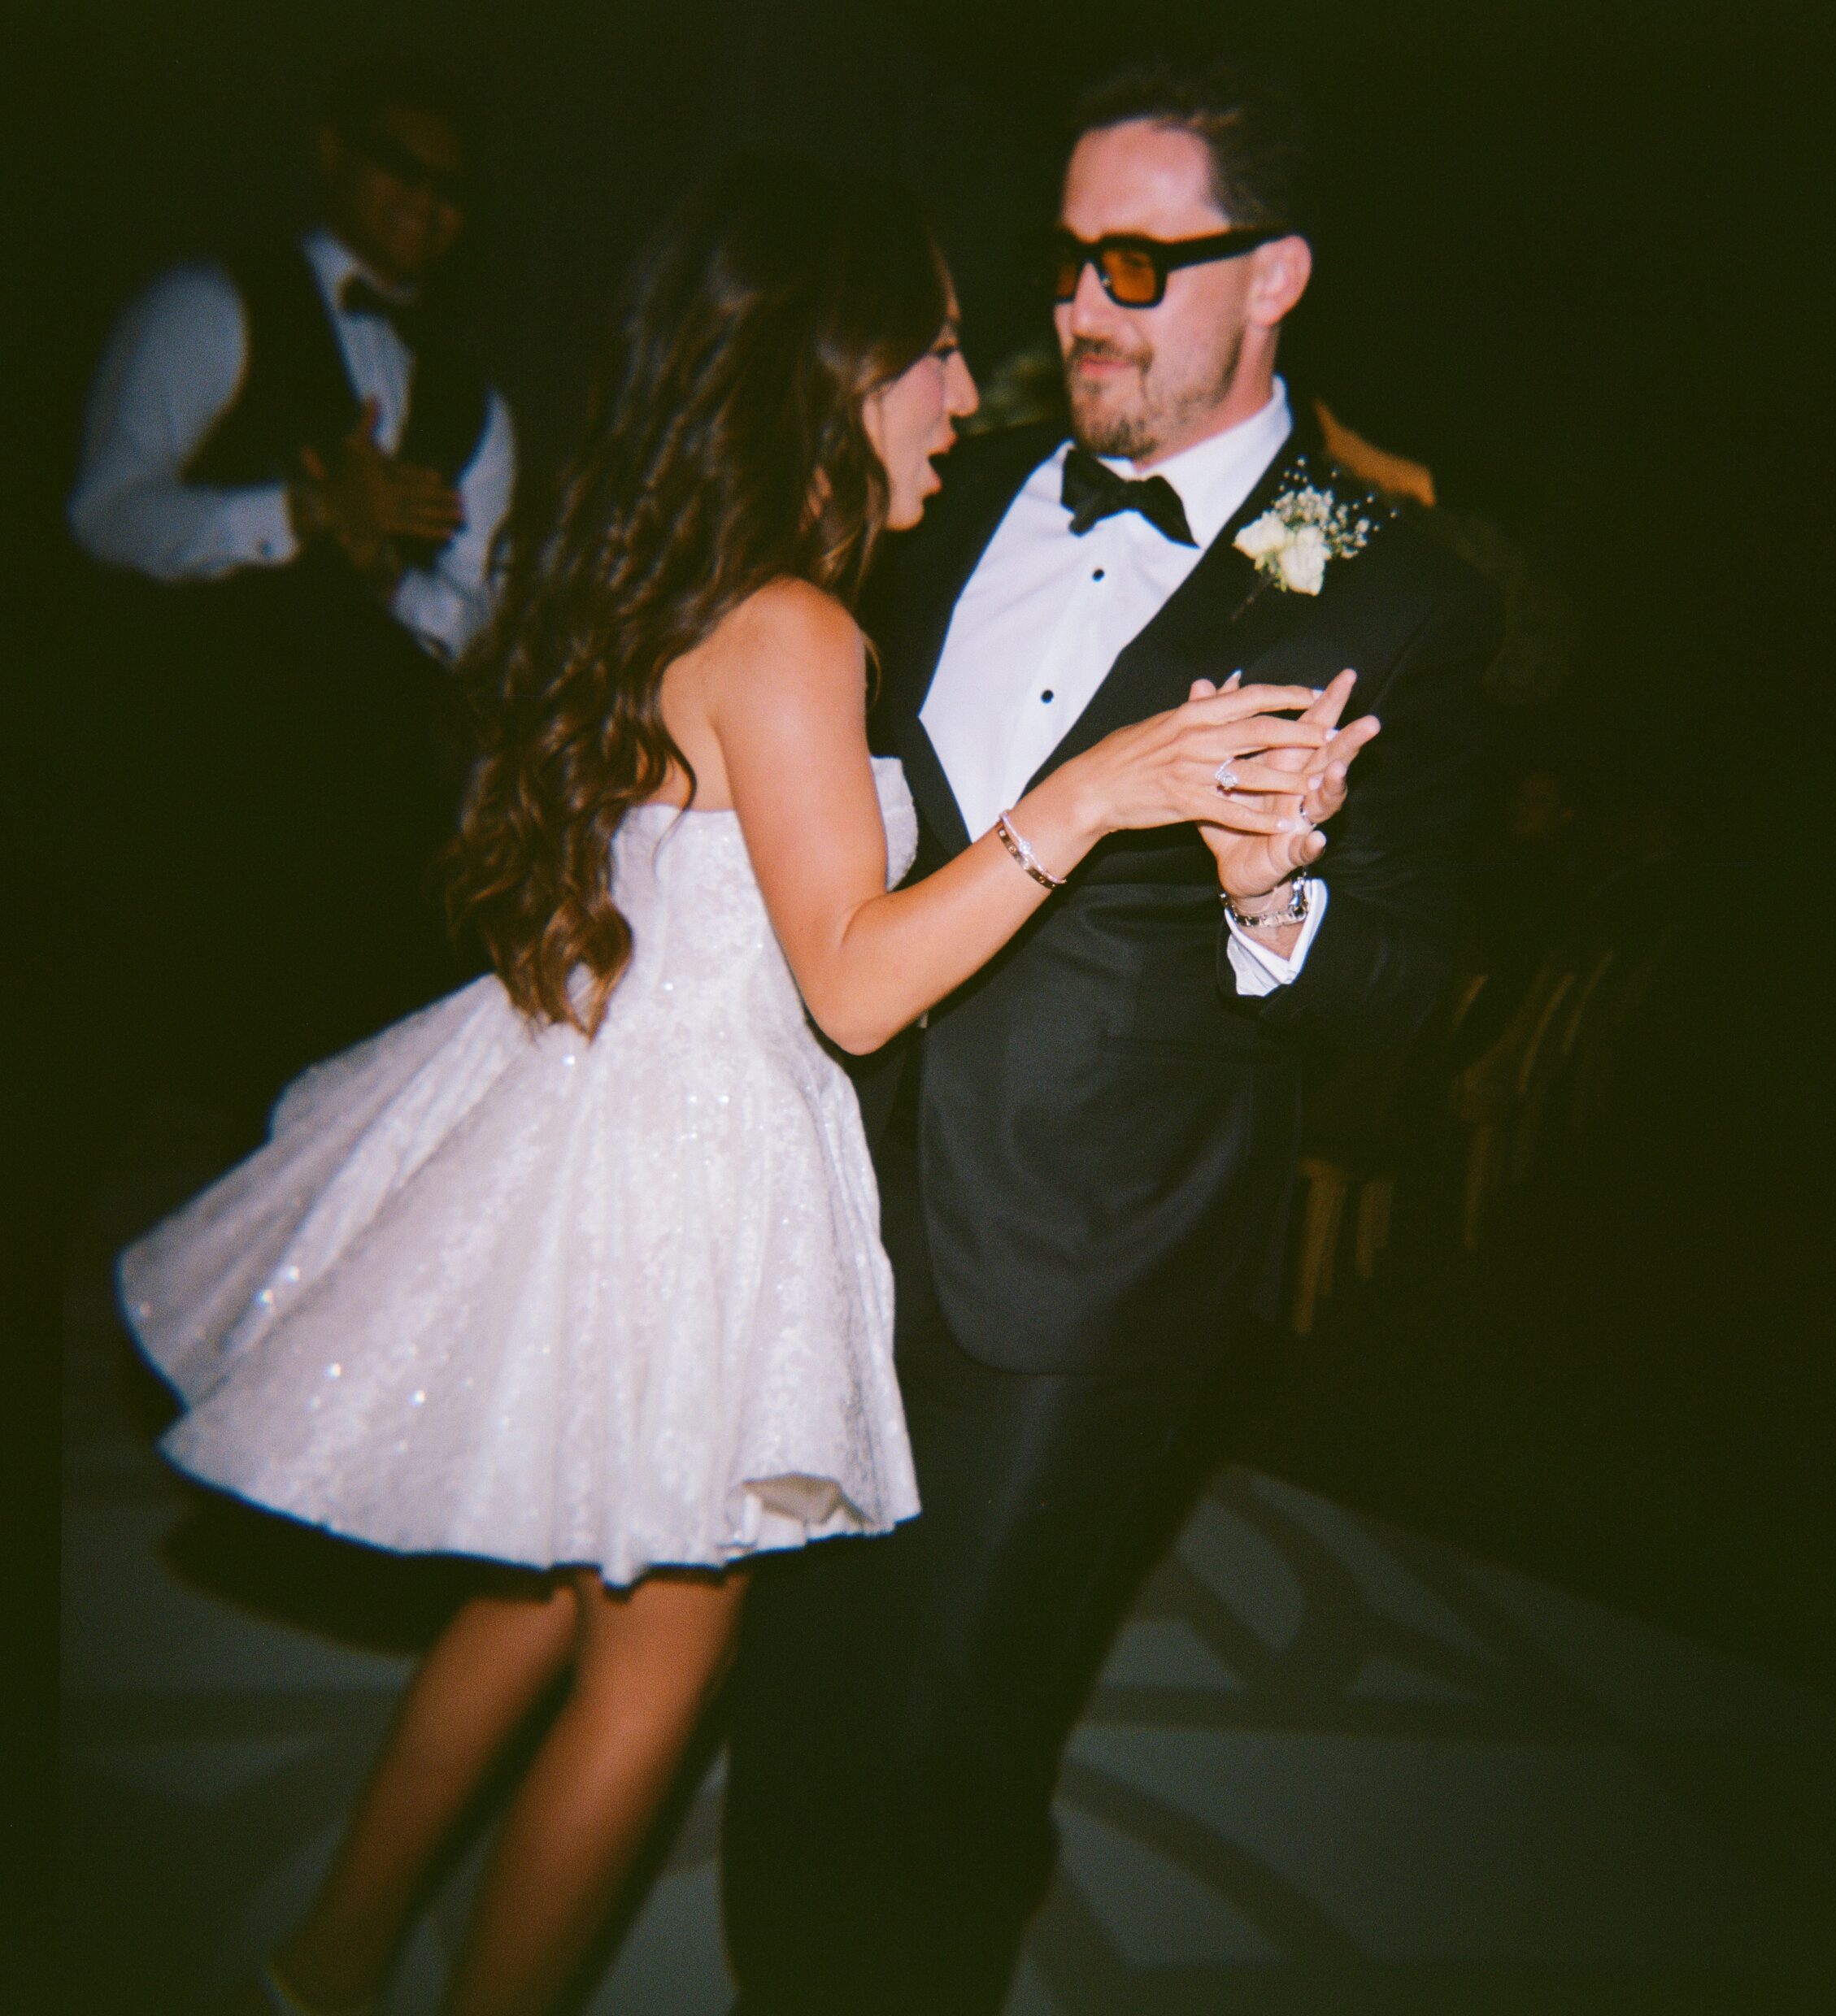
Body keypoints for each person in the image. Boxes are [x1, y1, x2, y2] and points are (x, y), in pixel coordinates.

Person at [118, 158, 1364, 2016]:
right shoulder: (795, 628)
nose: (969, 390)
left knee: (536, 1597)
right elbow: (855, 984)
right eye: (935, 351)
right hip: (687, 1172)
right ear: (830, 363)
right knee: (653, 1676)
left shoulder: (666, 574)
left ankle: (321, 1962)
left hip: (600, 1110)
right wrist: (1092, 792)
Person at [722, 61, 1500, 2014]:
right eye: (1069, 258)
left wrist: (1269, 896)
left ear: (1279, 276)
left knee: (949, 1718)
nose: (1082, 304)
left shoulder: (1397, 587)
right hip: (808, 1162)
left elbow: (1406, 992)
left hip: (1088, 1248)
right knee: (796, 1675)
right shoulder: (960, 476)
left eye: (1140, 260)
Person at [68, 59, 515, 1141]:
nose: (423, 200)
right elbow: (106, 513)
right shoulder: (211, 305)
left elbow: (472, 612)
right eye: (398, 166)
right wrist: (295, 515)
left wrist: (381, 575)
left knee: (292, 1115)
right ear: (333, 156)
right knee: (113, 1086)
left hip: (352, 816)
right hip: (179, 768)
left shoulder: (473, 399)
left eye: (450, 188)